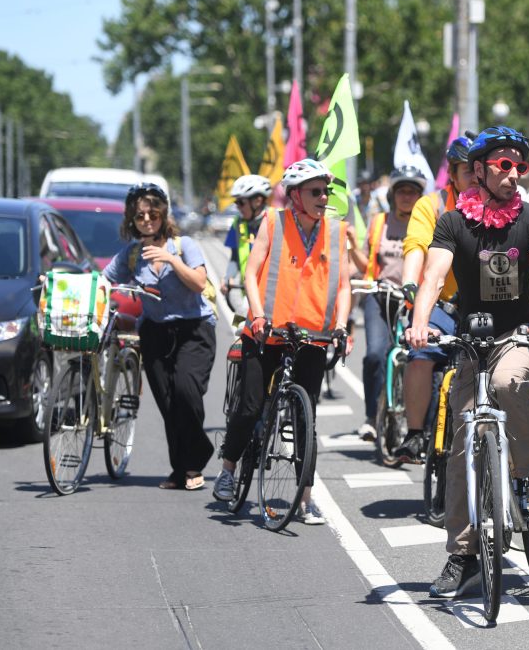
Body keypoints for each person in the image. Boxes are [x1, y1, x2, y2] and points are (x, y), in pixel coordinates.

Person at [406, 125, 529, 598]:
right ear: (478, 171)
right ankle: (462, 554)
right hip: (473, 341)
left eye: (520, 166)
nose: (514, 174)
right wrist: (419, 322)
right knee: (461, 445)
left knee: (512, 382)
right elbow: (433, 276)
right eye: (504, 165)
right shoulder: (453, 221)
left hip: (520, 335)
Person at [211, 158, 352, 525]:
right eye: (315, 192)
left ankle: (305, 499)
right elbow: (252, 271)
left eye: (326, 191)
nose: (323, 198)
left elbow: (343, 285)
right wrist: (257, 315)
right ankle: (228, 469)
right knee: (249, 406)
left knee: (308, 420)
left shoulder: (336, 231)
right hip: (267, 331)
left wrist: (341, 325)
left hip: (313, 337)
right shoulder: (273, 222)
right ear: (295, 196)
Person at [103, 183, 217, 491]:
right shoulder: (131, 254)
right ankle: (182, 469)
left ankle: (196, 457)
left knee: (185, 391)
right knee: (168, 404)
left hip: (194, 329)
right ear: (132, 220)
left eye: (152, 213)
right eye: (140, 216)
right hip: (154, 331)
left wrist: (171, 260)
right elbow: (105, 280)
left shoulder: (184, 246)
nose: (147, 220)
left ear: (163, 214)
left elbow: (198, 283)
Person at [393, 136, 476, 463]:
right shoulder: (432, 206)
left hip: (481, 304)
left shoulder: (498, 203)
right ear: (452, 175)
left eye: (480, 170)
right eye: (467, 171)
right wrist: (411, 285)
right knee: (421, 353)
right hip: (442, 300)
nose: (475, 177)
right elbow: (415, 247)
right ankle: (414, 434)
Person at [349, 165, 427, 441]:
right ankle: (372, 416)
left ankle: (421, 422)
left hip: (416, 298)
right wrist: (350, 246)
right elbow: (365, 264)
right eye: (401, 191)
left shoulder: (428, 222)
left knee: (420, 356)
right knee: (374, 355)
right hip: (380, 295)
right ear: (393, 194)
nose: (406, 196)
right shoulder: (379, 222)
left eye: (412, 192)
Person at [222, 174, 272, 313]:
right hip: (249, 294)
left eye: (241, 202)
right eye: (236, 202)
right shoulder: (238, 224)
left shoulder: (276, 221)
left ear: (258, 200)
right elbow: (234, 258)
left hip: (275, 295)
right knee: (240, 330)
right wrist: (228, 277)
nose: (238, 207)